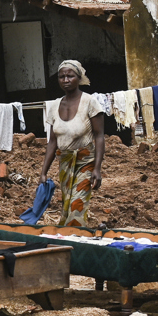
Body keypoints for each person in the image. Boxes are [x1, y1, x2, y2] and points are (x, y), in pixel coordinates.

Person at [39, 60, 106, 226]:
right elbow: (52, 141)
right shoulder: (54, 106)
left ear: (79, 78)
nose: (65, 80)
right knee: (67, 204)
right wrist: (43, 172)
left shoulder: (90, 102)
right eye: (61, 77)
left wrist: (97, 168)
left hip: (85, 161)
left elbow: (99, 136)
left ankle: (75, 235)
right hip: (65, 162)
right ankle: (71, 234)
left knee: (77, 203)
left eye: (70, 76)